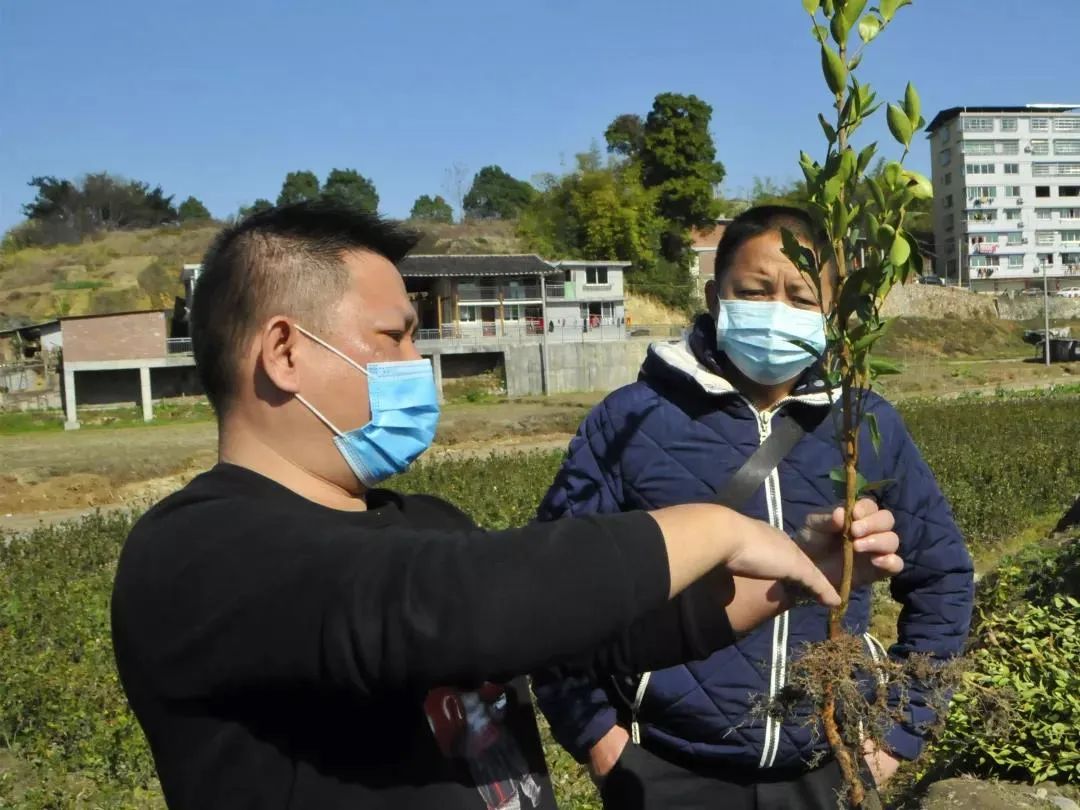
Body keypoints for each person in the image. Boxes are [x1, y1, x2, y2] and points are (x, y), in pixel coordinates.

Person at [110, 202, 903, 810]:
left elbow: (585, 632)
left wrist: (793, 578)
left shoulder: (422, 524)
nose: (416, 365)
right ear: (285, 352)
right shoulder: (198, 556)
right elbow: (450, 609)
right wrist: (714, 526)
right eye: (392, 337)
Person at [533, 205, 974, 809]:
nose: (776, 311)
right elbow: (555, 591)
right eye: (755, 291)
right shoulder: (630, 420)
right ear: (716, 297)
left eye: (800, 295)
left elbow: (944, 577)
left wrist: (895, 738)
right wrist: (598, 740)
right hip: (664, 762)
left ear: (832, 310)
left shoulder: (863, 424)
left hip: (830, 760)